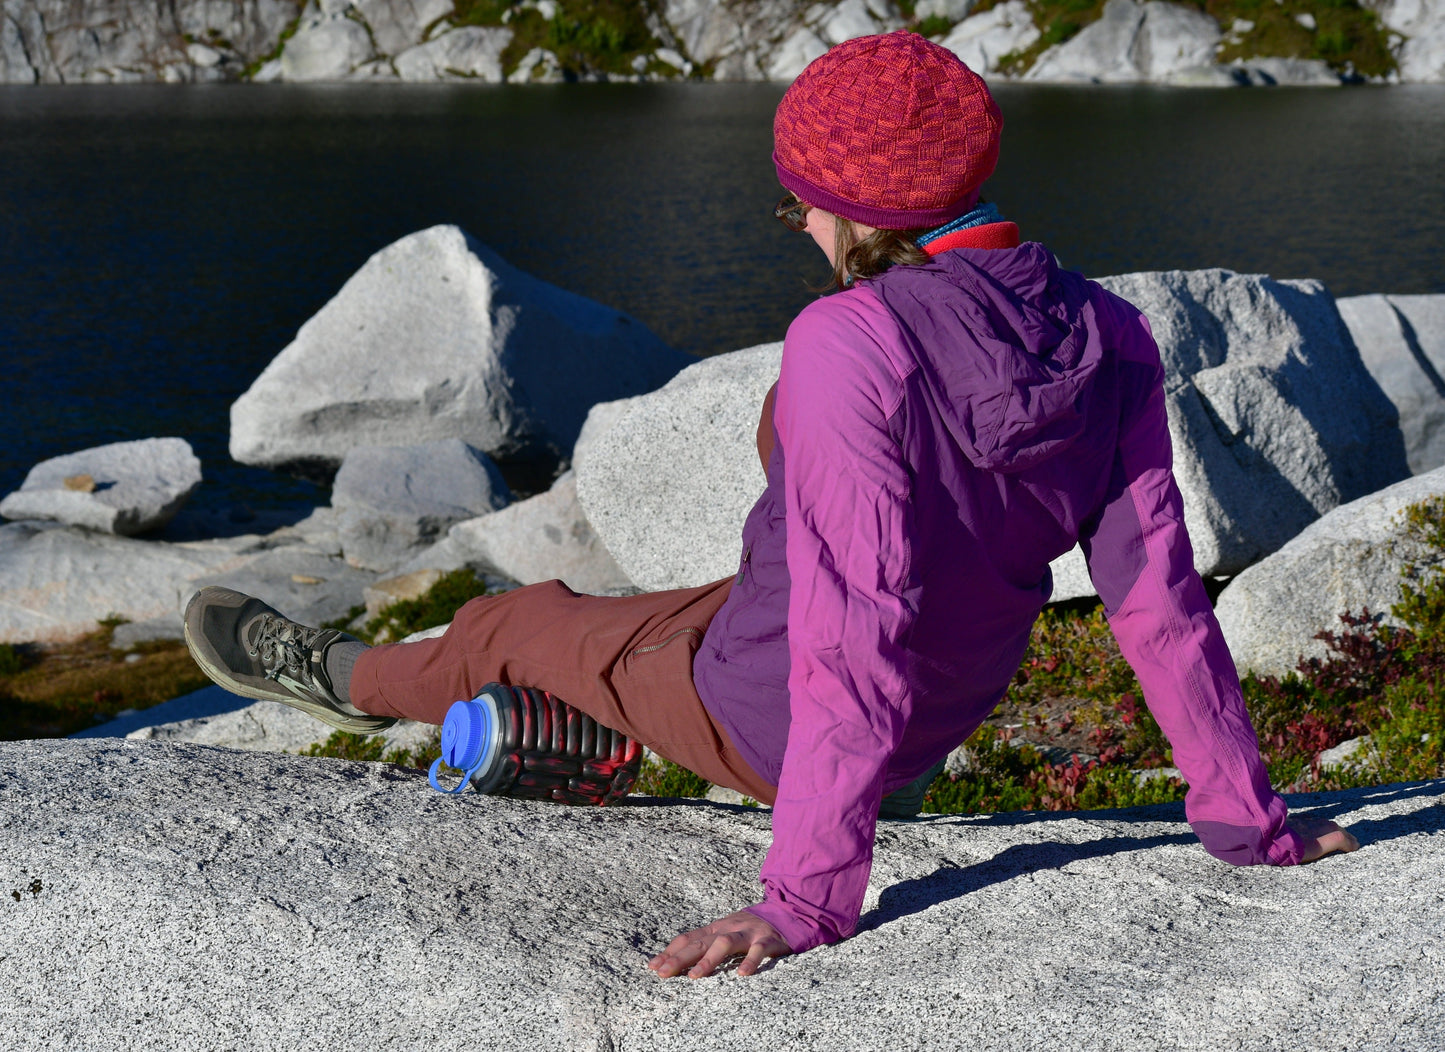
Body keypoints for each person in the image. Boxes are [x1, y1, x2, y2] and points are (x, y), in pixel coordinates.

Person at [184, 31, 1358, 982]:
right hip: (934, 712)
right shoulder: (1110, 332)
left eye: (800, 208)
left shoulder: (853, 338)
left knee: (517, 619)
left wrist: (804, 898)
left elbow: (854, 626)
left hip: (775, 718)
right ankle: (597, 722)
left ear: (853, 210)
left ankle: (335, 675)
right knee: (672, 604)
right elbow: (1157, 602)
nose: (803, 231)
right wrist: (1246, 821)